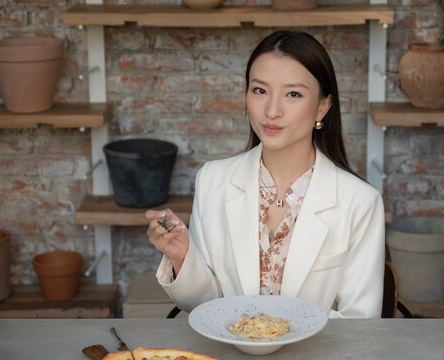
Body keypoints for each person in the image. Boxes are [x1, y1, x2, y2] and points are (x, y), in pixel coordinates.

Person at [146, 30, 385, 318]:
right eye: (260, 90)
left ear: (323, 107)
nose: (272, 110)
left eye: (293, 94)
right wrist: (183, 258)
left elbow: (361, 324)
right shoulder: (213, 180)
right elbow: (205, 306)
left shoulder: (360, 202)